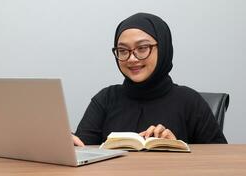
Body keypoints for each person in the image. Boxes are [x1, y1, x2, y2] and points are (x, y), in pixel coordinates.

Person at [72, 13, 227, 146]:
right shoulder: (105, 99)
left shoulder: (190, 101)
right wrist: (67, 143)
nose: (132, 58)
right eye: (123, 50)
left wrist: (177, 148)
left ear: (163, 48)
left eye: (142, 48)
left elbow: (220, 161)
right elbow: (82, 150)